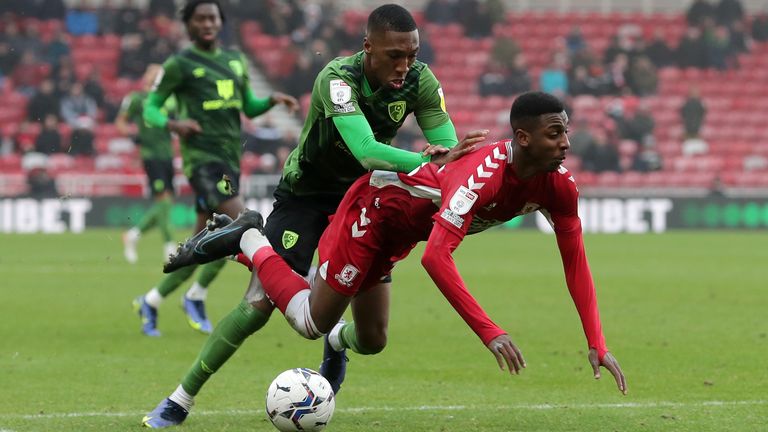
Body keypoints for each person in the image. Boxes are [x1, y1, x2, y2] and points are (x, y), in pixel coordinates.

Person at [147, 91, 627, 427]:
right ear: (523, 138)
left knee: (372, 340)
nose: (565, 143)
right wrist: (490, 330)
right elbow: (438, 261)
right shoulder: (481, 179)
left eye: (566, 133)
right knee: (309, 321)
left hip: (401, 232)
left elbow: (575, 259)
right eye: (555, 133)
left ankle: (338, 340)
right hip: (372, 213)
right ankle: (251, 240)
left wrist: (597, 341)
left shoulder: (558, 184)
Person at [141, 4, 479, 427]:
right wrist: (425, 160)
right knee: (258, 303)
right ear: (368, 47)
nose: (405, 65)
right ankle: (179, 399)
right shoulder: (337, 79)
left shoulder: (420, 80)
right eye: (395, 55)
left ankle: (336, 340)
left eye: (412, 54)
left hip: (361, 204)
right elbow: (367, 151)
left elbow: (443, 149)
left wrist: (447, 158)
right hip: (305, 197)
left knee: (373, 339)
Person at [132, 0, 299, 337]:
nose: (208, 23)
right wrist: (174, 125)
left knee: (204, 242)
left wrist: (271, 101)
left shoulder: (234, 60)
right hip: (203, 163)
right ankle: (198, 295)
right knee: (244, 225)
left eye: (213, 17)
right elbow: (150, 109)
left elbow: (248, 108)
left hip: (229, 163)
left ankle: (151, 300)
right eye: (200, 18)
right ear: (189, 24)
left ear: (221, 22)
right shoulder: (179, 65)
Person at [117, 64, 177, 264]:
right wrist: (134, 136)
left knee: (165, 203)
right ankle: (169, 248)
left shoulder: (169, 100)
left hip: (168, 155)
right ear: (146, 77)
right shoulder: (137, 99)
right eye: (153, 74)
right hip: (151, 155)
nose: (157, 77)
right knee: (164, 201)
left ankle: (133, 235)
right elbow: (121, 122)